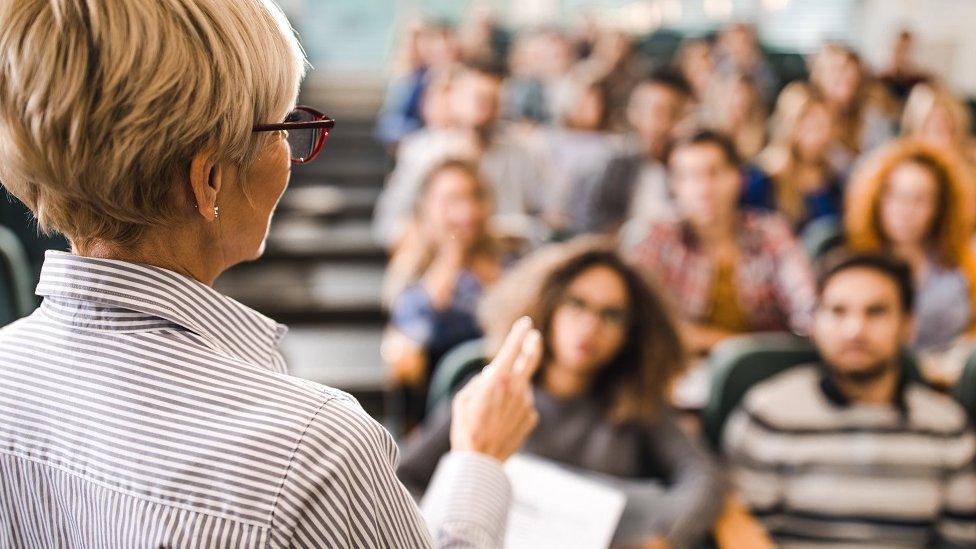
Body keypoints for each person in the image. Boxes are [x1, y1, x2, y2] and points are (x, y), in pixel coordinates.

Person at [0, 1, 543, 546]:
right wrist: (477, 459)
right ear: (208, 178)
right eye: (283, 126)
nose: (290, 149)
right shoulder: (314, 451)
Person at [398, 238, 726, 547]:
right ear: (548, 306)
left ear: (631, 333)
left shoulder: (636, 403)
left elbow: (702, 478)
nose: (589, 325)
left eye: (611, 315)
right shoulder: (495, 394)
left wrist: (664, 537)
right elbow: (403, 480)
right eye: (576, 304)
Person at [723, 252, 976, 548]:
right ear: (815, 322)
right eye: (838, 311)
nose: (855, 329)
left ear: (908, 325)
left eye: (876, 312)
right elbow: (741, 531)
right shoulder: (767, 415)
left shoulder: (947, 428)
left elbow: (961, 540)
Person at [627, 131, 815, 355]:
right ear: (674, 185)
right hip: (679, 364)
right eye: (688, 176)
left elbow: (805, 299)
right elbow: (638, 316)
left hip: (765, 365)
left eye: (714, 173)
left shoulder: (770, 231)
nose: (703, 188)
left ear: (738, 177)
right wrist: (731, 345)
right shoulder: (655, 235)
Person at [372, 61, 553, 248]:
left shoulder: (521, 154)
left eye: (490, 99)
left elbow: (544, 217)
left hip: (505, 257)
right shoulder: (422, 152)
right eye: (473, 97)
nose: (481, 107)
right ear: (453, 99)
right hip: (439, 254)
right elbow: (389, 223)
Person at [382, 159, 511, 421]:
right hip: (442, 403)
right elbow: (415, 333)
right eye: (452, 200)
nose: (467, 210)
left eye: (475, 197)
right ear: (426, 209)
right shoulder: (411, 270)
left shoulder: (510, 258)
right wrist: (452, 256)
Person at [845, 138, 976, 381]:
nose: (905, 209)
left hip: (956, 381)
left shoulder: (961, 261)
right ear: (876, 199)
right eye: (894, 196)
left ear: (938, 207)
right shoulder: (854, 267)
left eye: (920, 199)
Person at [575, 70, 692, 234]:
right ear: (633, 113)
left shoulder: (691, 167)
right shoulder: (615, 165)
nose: (656, 123)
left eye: (668, 113)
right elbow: (594, 224)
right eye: (648, 111)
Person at [755, 82, 843, 231]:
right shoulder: (764, 176)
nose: (822, 135)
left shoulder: (834, 175)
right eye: (813, 126)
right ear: (790, 125)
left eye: (826, 125)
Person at [901, 82, 976, 166]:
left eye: (946, 124)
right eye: (935, 128)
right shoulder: (909, 168)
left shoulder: (969, 158)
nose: (945, 138)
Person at [702, 70, 767, 160]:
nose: (740, 100)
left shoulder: (762, 134)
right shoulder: (707, 132)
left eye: (745, 96)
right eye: (734, 94)